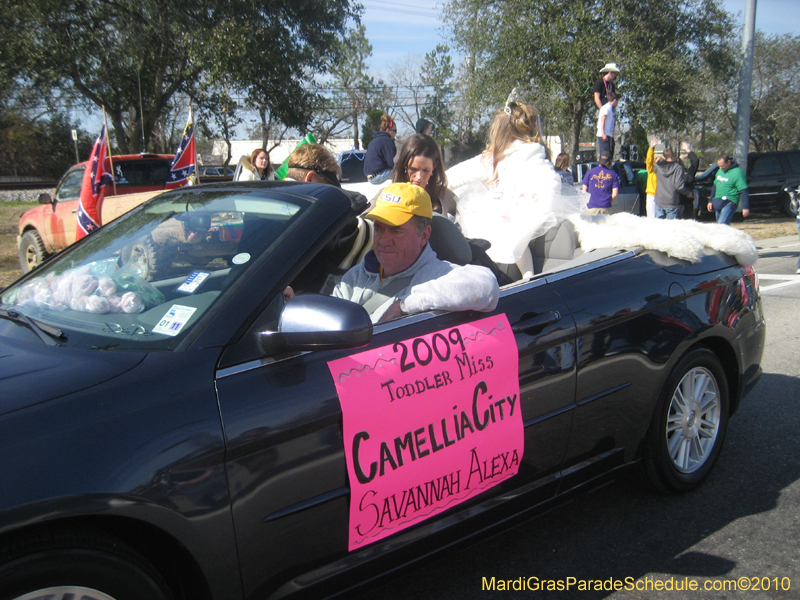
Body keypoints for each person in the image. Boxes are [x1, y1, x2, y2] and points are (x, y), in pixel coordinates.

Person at [445, 91, 582, 278]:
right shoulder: (530, 152)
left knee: (512, 237)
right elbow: (551, 181)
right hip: (515, 210)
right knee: (516, 239)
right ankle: (527, 276)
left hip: (507, 212)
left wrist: (436, 183)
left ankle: (525, 275)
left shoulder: (494, 158)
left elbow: (455, 176)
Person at [330, 182, 499, 323]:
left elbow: (487, 286)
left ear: (424, 235)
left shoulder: (438, 275)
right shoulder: (356, 276)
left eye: (396, 230)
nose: (384, 241)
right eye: (379, 229)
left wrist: (404, 304)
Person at [390, 133, 454, 218]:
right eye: (413, 169)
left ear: (434, 166)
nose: (419, 177)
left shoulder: (443, 195)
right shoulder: (389, 194)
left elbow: (467, 212)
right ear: (405, 164)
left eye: (425, 170)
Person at [707, 153, 749, 225]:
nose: (721, 168)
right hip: (718, 201)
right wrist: (710, 201)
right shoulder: (719, 171)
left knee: (721, 224)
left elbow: (743, 190)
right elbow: (715, 186)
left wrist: (745, 207)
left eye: (722, 165)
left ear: (728, 162)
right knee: (721, 226)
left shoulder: (737, 172)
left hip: (730, 201)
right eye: (719, 166)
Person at [654, 147, 692, 220]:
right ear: (674, 155)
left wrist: (657, 161)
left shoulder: (658, 166)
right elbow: (678, 186)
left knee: (658, 225)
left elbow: (650, 168)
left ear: (664, 157)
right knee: (670, 225)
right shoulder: (678, 168)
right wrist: (687, 193)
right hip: (671, 200)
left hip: (659, 199)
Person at [581, 150, 619, 214]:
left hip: (591, 207)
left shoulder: (590, 172)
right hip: (605, 207)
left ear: (599, 159)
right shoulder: (613, 174)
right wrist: (607, 202)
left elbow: (583, 191)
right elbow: (615, 195)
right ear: (610, 161)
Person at [363, 114, 397, 185]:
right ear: (388, 130)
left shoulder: (375, 140)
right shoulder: (387, 140)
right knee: (403, 172)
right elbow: (392, 163)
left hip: (370, 176)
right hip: (378, 176)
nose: (396, 133)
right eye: (394, 130)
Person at [596, 93, 619, 159]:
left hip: (609, 135)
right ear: (614, 100)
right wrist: (603, 133)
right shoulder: (606, 107)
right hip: (604, 135)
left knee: (609, 155)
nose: (617, 103)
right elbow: (602, 120)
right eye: (617, 101)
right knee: (604, 156)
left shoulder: (611, 109)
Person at [681, 141, 700, 218]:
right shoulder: (671, 173)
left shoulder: (688, 174)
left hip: (687, 201)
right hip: (674, 203)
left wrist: (688, 150)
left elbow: (695, 161)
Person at [645, 136, 659, 218]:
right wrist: (651, 148)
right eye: (656, 160)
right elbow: (649, 161)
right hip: (651, 196)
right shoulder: (651, 171)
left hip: (661, 196)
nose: (657, 161)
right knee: (651, 219)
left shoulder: (663, 171)